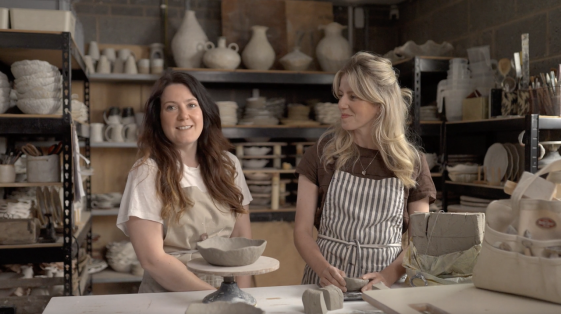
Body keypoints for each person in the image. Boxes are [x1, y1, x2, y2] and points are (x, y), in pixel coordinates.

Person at [294, 52, 436, 292]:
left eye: (353, 96)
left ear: (379, 104)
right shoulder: (323, 154)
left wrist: (388, 276)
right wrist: (323, 269)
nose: (341, 104)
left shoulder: (411, 162)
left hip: (384, 289)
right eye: (341, 95)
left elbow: (419, 241)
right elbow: (302, 231)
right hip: (325, 287)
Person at [116, 71, 253, 293]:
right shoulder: (147, 173)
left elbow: (242, 239)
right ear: (158, 118)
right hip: (169, 296)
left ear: (204, 112)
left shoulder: (229, 165)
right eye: (171, 107)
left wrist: (242, 296)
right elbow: (153, 260)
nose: (183, 116)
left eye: (191, 105)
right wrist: (214, 298)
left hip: (226, 293)